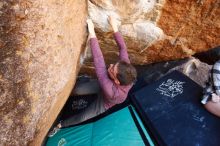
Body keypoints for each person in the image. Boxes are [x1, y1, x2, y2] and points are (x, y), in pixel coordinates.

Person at [48, 16, 137, 137]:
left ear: (116, 80)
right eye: (113, 65)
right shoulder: (125, 68)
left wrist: (92, 32)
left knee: (83, 117)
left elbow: (99, 61)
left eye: (112, 69)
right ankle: (85, 81)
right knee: (77, 90)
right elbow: (122, 47)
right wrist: (114, 26)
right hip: (106, 83)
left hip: (105, 102)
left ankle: (61, 125)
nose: (110, 65)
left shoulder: (111, 91)